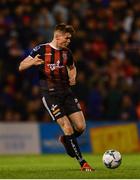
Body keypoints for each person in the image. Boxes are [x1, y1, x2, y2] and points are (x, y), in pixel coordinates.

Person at [19, 23, 94, 171]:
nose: (69, 41)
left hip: (67, 93)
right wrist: (32, 62)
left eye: (70, 38)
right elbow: (21, 65)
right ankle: (83, 163)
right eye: (67, 38)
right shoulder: (41, 49)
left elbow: (72, 67)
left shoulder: (67, 52)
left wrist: (73, 76)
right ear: (57, 37)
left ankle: (65, 140)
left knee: (80, 127)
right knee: (67, 127)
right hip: (51, 95)